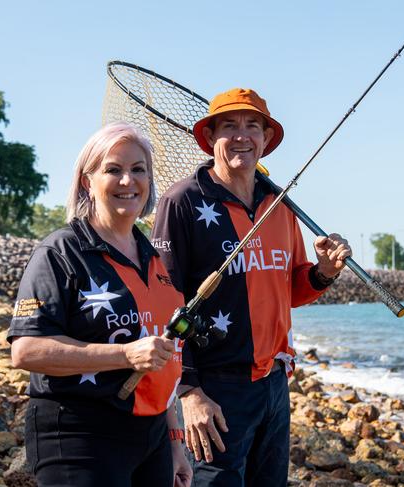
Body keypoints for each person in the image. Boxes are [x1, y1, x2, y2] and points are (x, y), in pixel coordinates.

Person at [151, 88, 351, 486]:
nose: (242, 136)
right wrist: (188, 391)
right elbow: (161, 302)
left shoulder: (279, 204)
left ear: (265, 139)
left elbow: (291, 289)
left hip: (274, 384)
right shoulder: (183, 201)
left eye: (252, 126)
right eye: (229, 126)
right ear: (210, 138)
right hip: (215, 387)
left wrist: (324, 272)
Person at [8, 123, 192, 487]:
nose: (128, 181)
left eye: (139, 169)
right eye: (113, 169)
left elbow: (164, 361)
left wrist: (174, 444)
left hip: (151, 437)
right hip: (80, 435)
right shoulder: (60, 252)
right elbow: (26, 351)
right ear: (87, 181)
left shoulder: (154, 259)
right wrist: (124, 356)